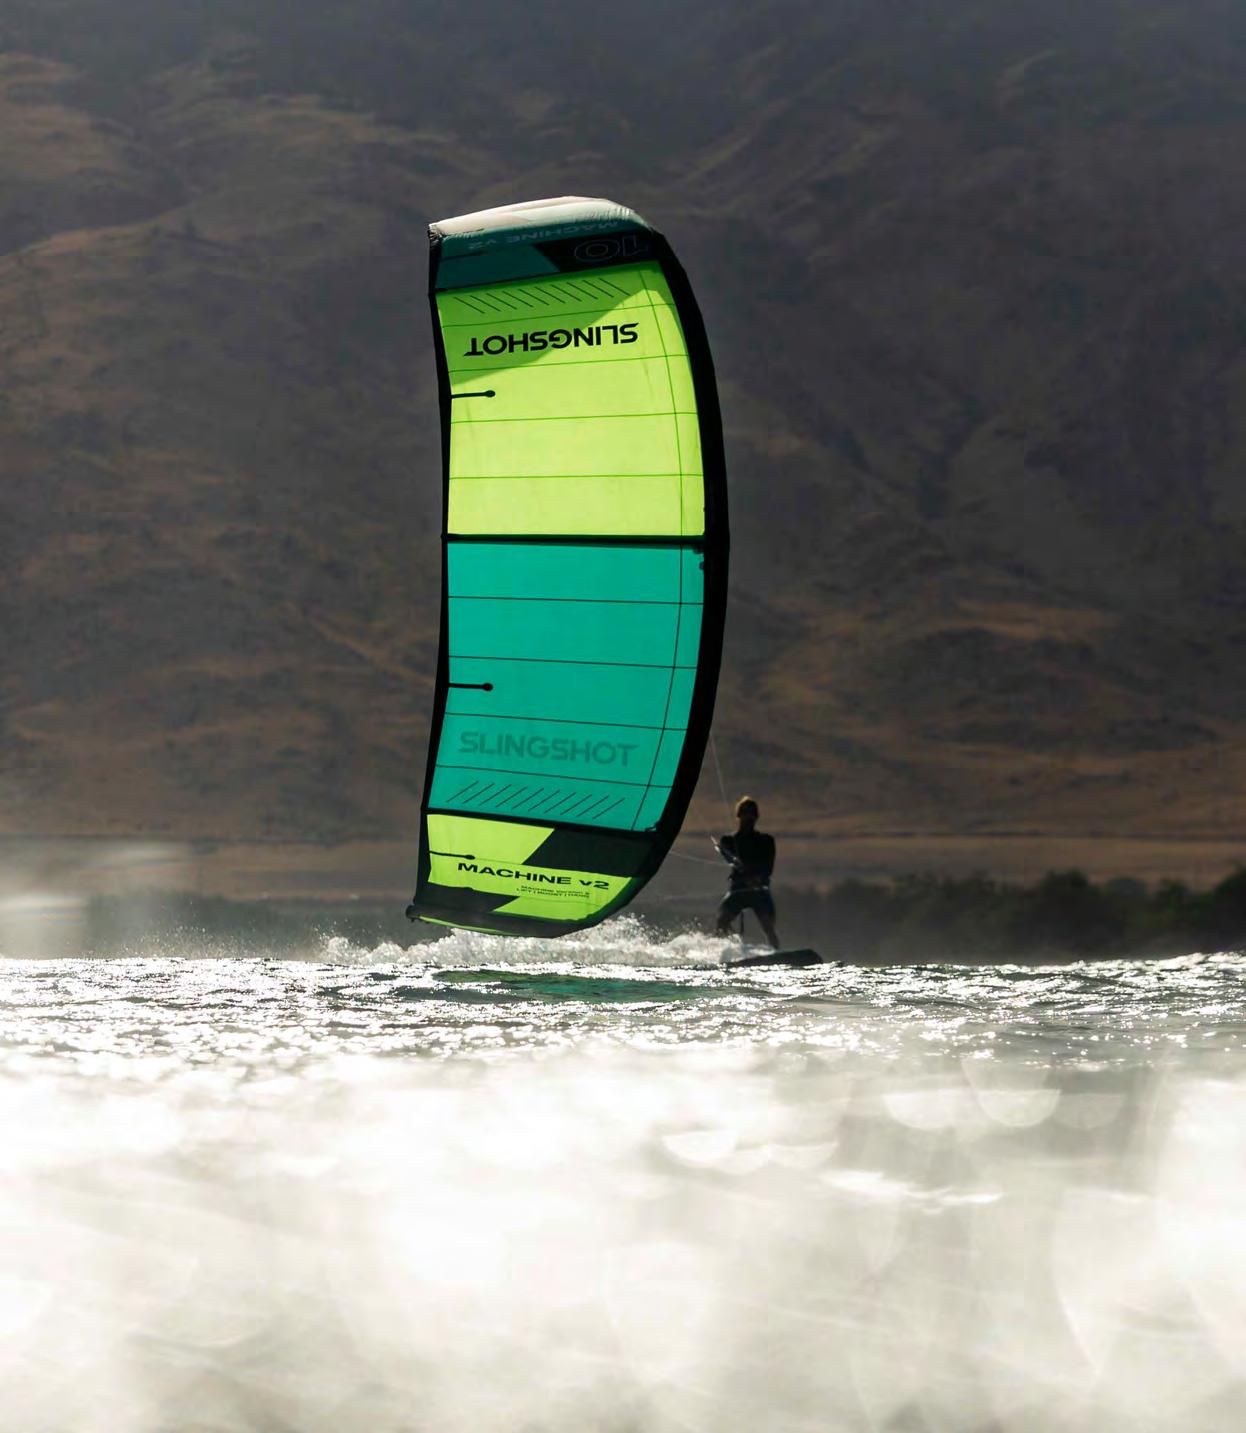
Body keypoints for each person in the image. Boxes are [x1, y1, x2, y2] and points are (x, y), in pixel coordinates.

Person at [714, 796, 779, 949]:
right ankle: (732, 949)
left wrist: (758, 878)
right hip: (738, 890)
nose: (748, 817)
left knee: (768, 927)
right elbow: (727, 852)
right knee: (721, 922)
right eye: (745, 813)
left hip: (759, 890)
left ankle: (776, 953)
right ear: (739, 815)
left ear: (756, 817)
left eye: (752, 814)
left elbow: (769, 866)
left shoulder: (766, 841)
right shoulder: (729, 841)